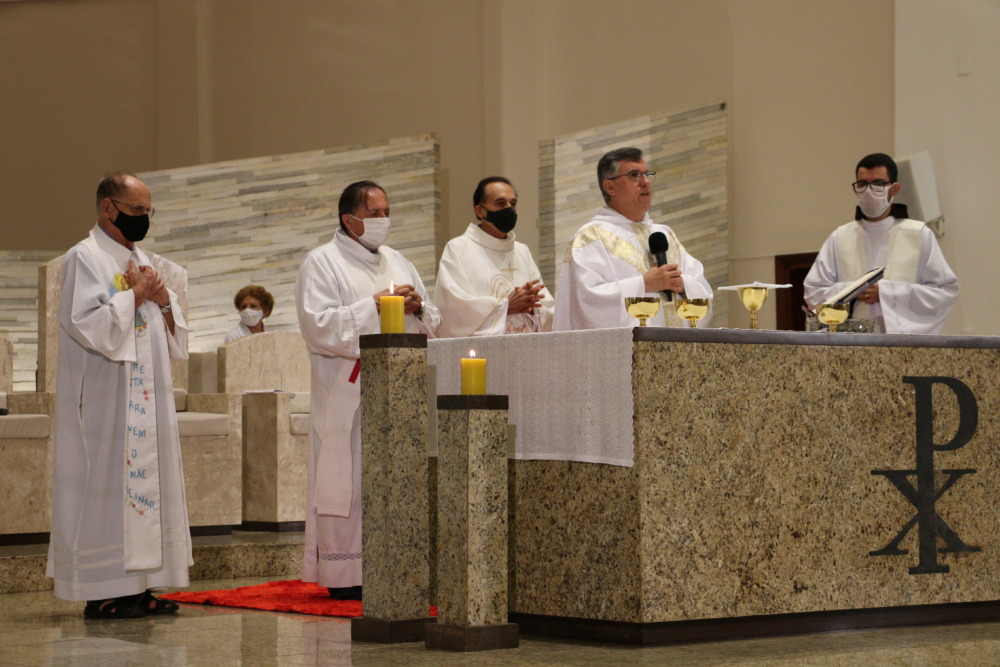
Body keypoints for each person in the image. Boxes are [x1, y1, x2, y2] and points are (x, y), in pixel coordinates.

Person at [46, 171, 192, 618]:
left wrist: (162, 297)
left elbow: (174, 335)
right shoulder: (84, 257)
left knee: (150, 484)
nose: (143, 219)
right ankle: (105, 590)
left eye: (148, 212)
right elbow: (85, 323)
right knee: (107, 488)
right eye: (136, 211)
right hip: (107, 398)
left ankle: (143, 586)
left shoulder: (141, 258)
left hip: (147, 394)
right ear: (109, 208)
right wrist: (135, 296)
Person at [295, 180, 440, 600]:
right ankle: (346, 574)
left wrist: (416, 309)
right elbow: (318, 326)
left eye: (386, 212)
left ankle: (395, 563)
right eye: (375, 214)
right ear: (349, 219)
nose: (383, 221)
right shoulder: (321, 262)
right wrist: (373, 305)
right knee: (350, 479)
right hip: (346, 391)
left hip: (398, 391)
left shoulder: (398, 260)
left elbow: (433, 319)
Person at [553, 147, 713, 329]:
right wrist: (644, 284)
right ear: (610, 187)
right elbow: (585, 301)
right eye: (635, 175)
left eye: (647, 174)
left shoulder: (664, 234)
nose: (645, 182)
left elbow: (701, 287)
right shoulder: (591, 237)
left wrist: (683, 285)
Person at [803, 153, 959, 334]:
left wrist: (887, 293)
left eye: (877, 183)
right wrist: (852, 290)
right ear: (855, 189)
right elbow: (814, 291)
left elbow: (944, 292)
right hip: (849, 344)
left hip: (900, 346)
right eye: (862, 184)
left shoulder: (918, 234)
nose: (868, 191)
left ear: (894, 189)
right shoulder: (839, 237)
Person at [434, 176, 554, 337]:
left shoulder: (522, 251)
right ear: (480, 211)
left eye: (513, 203)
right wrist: (506, 306)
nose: (509, 209)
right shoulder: (458, 248)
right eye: (500, 203)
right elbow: (453, 308)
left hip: (526, 344)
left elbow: (546, 304)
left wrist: (532, 306)